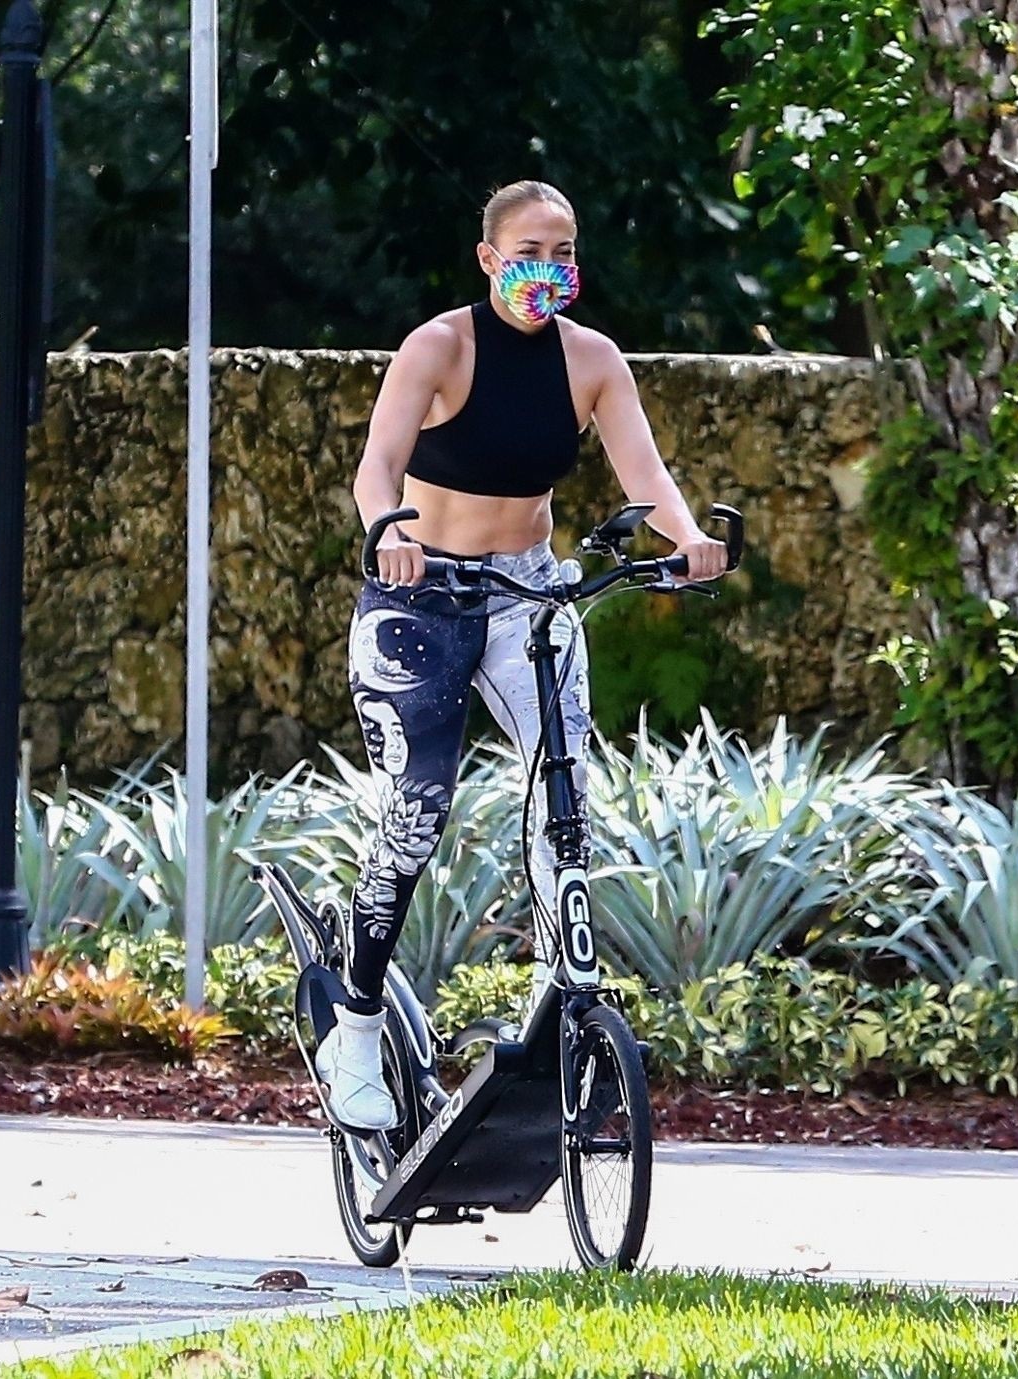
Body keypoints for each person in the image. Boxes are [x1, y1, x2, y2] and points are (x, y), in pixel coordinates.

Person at [316, 180, 730, 1130]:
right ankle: (358, 1025)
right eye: (530, 250)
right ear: (490, 258)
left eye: (565, 249)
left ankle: (563, 1001)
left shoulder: (592, 361)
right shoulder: (440, 346)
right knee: (416, 813)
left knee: (566, 793)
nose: (549, 266)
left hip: (528, 595)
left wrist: (688, 539)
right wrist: (388, 529)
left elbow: (645, 471)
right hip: (420, 597)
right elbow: (377, 464)